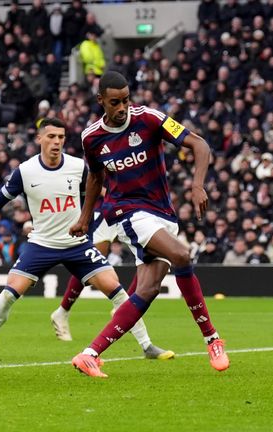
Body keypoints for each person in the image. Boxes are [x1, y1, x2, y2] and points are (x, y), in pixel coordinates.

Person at [69, 72, 229, 377]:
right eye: (114, 102)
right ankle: (213, 339)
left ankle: (89, 354)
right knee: (181, 255)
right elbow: (95, 177)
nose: (122, 108)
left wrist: (197, 185)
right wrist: (85, 218)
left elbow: (199, 144)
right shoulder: (91, 137)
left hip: (162, 213)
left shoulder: (150, 119)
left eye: (126, 100)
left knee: (148, 289)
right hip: (126, 212)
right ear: (100, 100)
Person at [0, 118, 170, 362]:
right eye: (51, 136)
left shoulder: (78, 166)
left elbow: (92, 196)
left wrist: (89, 223)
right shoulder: (25, 171)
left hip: (77, 244)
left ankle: (147, 345)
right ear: (39, 138)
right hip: (42, 244)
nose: (56, 142)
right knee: (9, 293)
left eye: (61, 137)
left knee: (116, 289)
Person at [49, 191, 174, 359]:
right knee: (92, 262)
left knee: (146, 254)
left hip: (129, 208)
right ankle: (62, 312)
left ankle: (124, 311)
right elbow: (98, 182)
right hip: (106, 208)